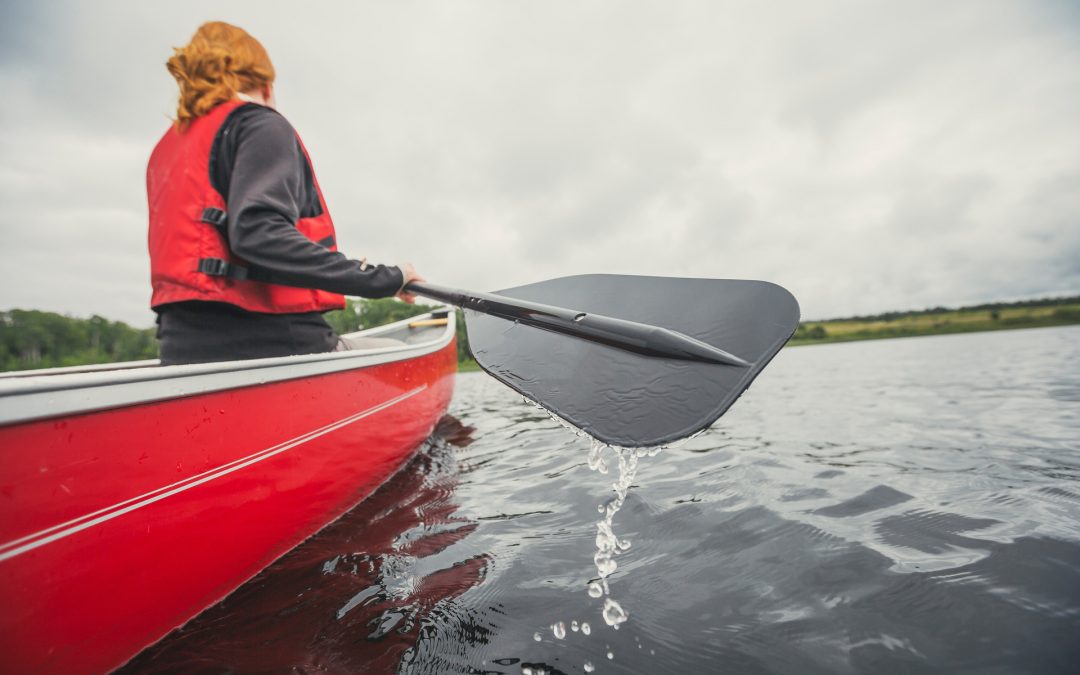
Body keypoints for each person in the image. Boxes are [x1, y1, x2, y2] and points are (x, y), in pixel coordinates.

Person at [147, 21, 422, 365]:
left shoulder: (170, 146)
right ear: (265, 84)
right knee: (402, 355)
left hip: (181, 349)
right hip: (275, 341)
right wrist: (388, 278)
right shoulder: (260, 123)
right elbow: (258, 234)